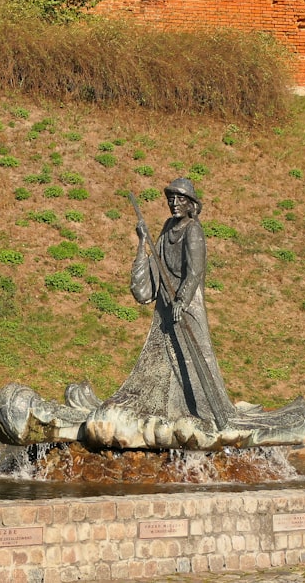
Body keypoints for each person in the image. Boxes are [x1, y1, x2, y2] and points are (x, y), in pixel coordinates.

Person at [105, 178, 235, 427]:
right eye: (171, 199)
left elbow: (195, 270)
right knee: (162, 363)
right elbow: (155, 268)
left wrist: (182, 300)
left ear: (191, 204)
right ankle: (169, 412)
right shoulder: (167, 227)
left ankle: (206, 412)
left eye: (180, 199)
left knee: (192, 358)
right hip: (166, 307)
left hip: (186, 309)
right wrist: (144, 241)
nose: (174, 204)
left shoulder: (193, 230)